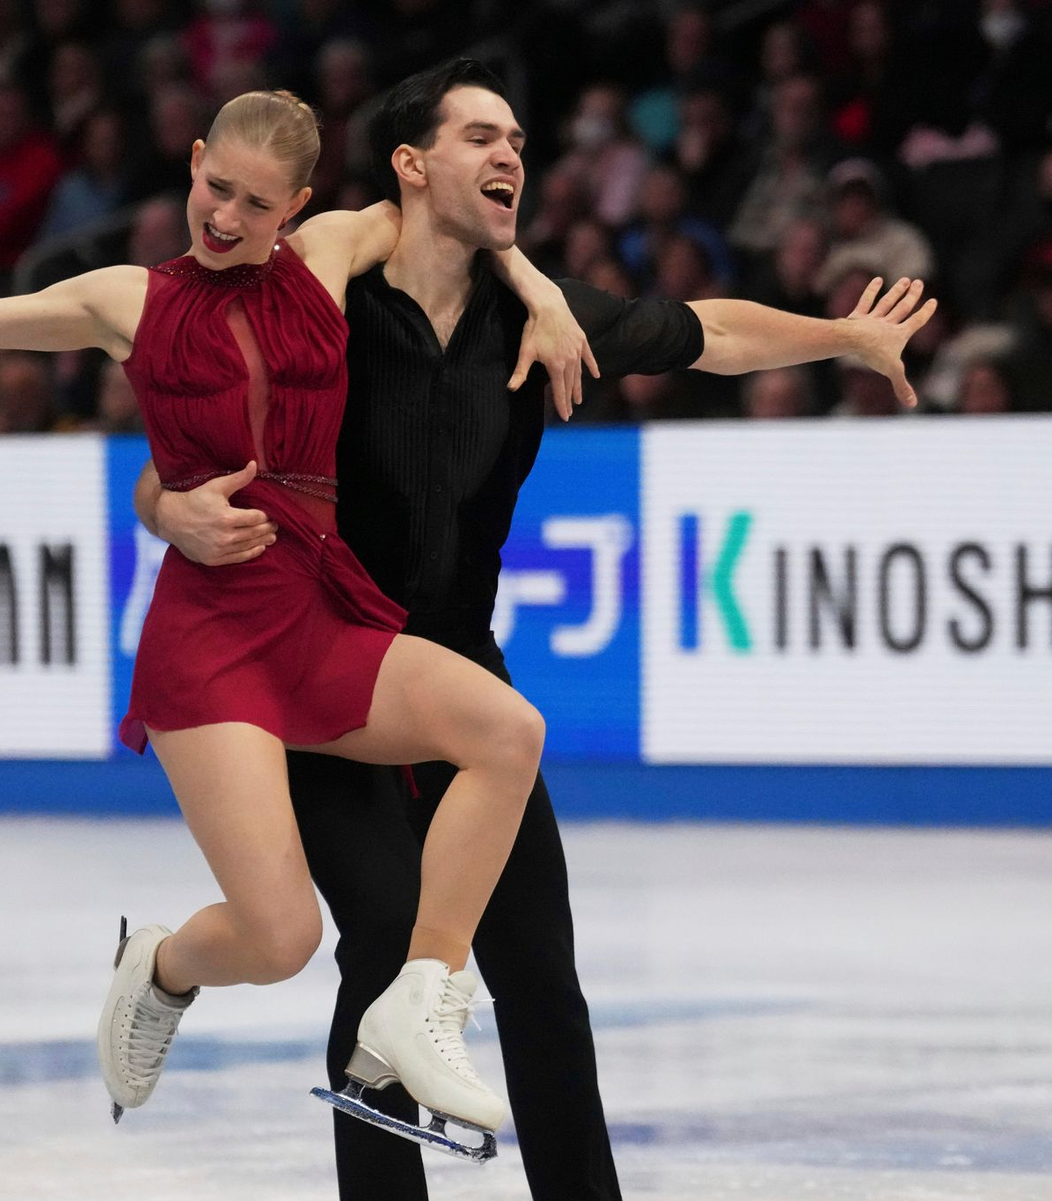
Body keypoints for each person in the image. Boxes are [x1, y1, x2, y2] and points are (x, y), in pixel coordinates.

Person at [137, 60, 936, 1200]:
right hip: (329, 672)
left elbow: (709, 332)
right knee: (384, 946)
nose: (510, 152)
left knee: (541, 979)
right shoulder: (320, 298)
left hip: (459, 673)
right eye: (479, 137)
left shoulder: (540, 317)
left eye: (516, 137)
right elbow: (181, 440)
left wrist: (841, 336)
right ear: (412, 165)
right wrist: (167, 509)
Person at [0, 86, 585, 1158]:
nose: (227, 217)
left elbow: (461, 218)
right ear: (194, 159)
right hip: (212, 639)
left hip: (322, 610)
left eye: (257, 202)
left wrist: (545, 293)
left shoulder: (332, 253)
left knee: (508, 731)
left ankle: (421, 996)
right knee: (282, 937)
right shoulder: (131, 298)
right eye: (216, 187)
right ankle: (159, 966)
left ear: (297, 207)